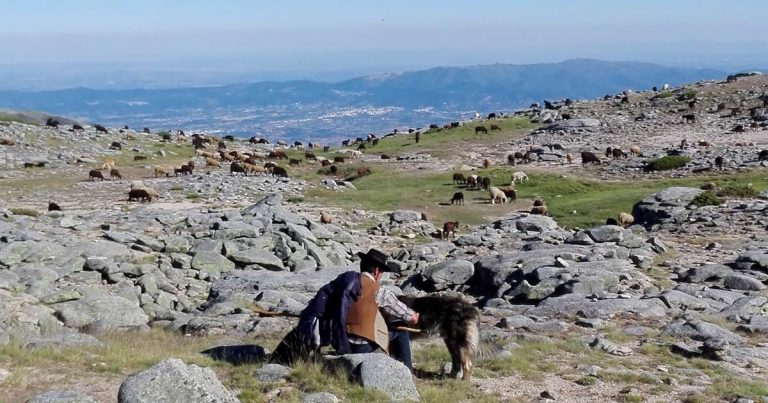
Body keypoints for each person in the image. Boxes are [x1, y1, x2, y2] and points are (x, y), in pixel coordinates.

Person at [270, 249, 418, 369]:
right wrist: (415, 316)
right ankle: (405, 369)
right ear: (376, 270)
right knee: (401, 328)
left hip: (338, 340)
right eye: (382, 272)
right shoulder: (381, 291)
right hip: (361, 347)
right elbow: (409, 317)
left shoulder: (341, 283)